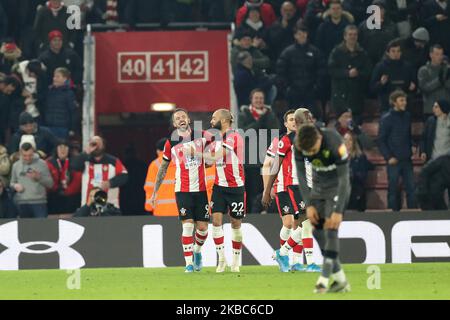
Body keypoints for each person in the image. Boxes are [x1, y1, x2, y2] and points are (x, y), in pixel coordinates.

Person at [274, 124, 351, 293]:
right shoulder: (300, 146)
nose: (311, 153)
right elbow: (301, 177)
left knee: (330, 232)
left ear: (319, 138)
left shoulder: (334, 141)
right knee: (315, 231)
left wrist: (338, 210)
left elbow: (345, 178)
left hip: (337, 187)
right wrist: (309, 205)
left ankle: (323, 280)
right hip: (317, 188)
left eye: (314, 149)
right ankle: (341, 280)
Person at [150, 108, 210, 273]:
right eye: (177, 118)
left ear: (188, 119)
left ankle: (197, 251)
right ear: (174, 124)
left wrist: (199, 153)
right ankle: (189, 264)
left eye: (183, 116)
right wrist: (155, 192)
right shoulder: (171, 143)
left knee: (203, 229)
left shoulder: (203, 135)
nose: (181, 119)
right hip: (182, 189)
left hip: (201, 189)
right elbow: (163, 168)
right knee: (188, 226)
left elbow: (216, 156)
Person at [261, 109, 320, 272]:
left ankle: (285, 254)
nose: (310, 119)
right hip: (293, 184)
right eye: (307, 117)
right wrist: (267, 190)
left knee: (303, 224)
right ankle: (304, 261)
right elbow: (272, 165)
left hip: (309, 186)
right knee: (299, 223)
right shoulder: (285, 140)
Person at [199, 109, 246, 273]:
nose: (211, 121)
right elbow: (211, 162)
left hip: (236, 187)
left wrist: (195, 153)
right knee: (216, 222)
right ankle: (221, 260)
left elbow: (216, 156)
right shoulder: (216, 140)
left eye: (214, 118)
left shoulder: (234, 136)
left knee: (235, 223)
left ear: (224, 120)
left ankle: (236, 261)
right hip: (219, 187)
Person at [238, 89, 280, 213]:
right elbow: (243, 133)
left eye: (261, 98)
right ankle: (252, 214)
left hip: (266, 160)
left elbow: (275, 133)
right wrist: (259, 123)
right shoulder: (243, 115)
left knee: (267, 189)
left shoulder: (271, 115)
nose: (258, 100)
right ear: (251, 100)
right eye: (256, 98)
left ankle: (268, 212)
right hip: (250, 161)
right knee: (252, 190)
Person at [276, 24, 327, 119]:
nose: (302, 35)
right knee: (293, 118)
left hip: (310, 91)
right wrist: (286, 88)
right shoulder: (288, 52)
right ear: (295, 36)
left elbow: (321, 70)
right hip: (293, 92)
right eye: (299, 33)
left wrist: (317, 86)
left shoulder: (315, 51)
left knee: (311, 117)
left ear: (307, 34)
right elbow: (280, 72)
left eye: (304, 33)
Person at [378, 90, 416, 211]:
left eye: (405, 100)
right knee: (393, 190)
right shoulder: (386, 118)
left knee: (411, 188)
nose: (405, 102)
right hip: (394, 160)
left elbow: (408, 135)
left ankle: (412, 215)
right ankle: (392, 216)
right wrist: (389, 157)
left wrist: (413, 145)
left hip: (407, 159)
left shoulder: (407, 116)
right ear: (394, 102)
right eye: (401, 100)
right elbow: (381, 140)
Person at [328, 24, 372, 121]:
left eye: (355, 34)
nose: (352, 37)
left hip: (357, 95)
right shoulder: (336, 52)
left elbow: (368, 71)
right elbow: (331, 70)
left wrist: (358, 73)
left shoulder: (362, 53)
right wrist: (347, 73)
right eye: (350, 34)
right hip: (340, 95)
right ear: (345, 36)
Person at [70, 135, 128, 208]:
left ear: (103, 146)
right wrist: (86, 153)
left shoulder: (113, 161)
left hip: (110, 206)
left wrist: (110, 183)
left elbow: (124, 176)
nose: (96, 146)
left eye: (98, 143)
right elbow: (74, 166)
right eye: (93, 143)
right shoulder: (85, 160)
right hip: (88, 207)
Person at [10, 137, 54, 218]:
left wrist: (39, 177)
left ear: (34, 152)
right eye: (25, 155)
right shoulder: (15, 165)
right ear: (20, 153)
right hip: (22, 203)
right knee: (24, 230)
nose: (27, 158)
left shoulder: (42, 164)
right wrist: (15, 186)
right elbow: (11, 183)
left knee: (42, 229)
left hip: (39, 203)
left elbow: (50, 184)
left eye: (30, 155)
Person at [370, 39, 416, 113]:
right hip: (386, 106)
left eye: (398, 51)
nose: (396, 54)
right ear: (388, 53)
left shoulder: (408, 67)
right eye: (393, 51)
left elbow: (414, 86)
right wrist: (381, 83)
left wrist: (413, 87)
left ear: (401, 53)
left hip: (404, 107)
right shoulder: (380, 67)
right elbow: (372, 88)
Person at [144, 138, 178, 216]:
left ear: (158, 151)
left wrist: (149, 206)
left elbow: (149, 188)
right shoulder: (181, 161)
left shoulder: (155, 165)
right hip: (181, 210)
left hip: (160, 211)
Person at [47, 140, 82, 214]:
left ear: (69, 149)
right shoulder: (49, 162)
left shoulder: (76, 161)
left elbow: (77, 181)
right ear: (56, 149)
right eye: (60, 147)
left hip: (72, 196)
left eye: (65, 147)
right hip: (54, 196)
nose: (62, 150)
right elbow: (47, 180)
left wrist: (67, 192)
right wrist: (56, 189)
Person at [358, 0, 398, 65]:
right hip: (368, 60)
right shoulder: (363, 26)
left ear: (385, 10)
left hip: (386, 60)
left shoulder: (392, 26)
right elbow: (359, 43)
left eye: (380, 9)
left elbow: (395, 43)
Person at [344, 131, 374, 211]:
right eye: (345, 140)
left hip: (356, 190)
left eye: (350, 140)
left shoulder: (360, 158)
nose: (347, 142)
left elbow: (363, 177)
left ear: (354, 142)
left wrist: (351, 175)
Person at [44, 67, 77, 139]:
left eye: (57, 77)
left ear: (65, 79)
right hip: (48, 127)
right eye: (54, 76)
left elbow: (73, 112)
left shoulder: (69, 93)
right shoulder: (49, 91)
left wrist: (72, 129)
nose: (54, 79)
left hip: (62, 128)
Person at [418, 45, 450, 117]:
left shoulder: (447, 70)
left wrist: (445, 79)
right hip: (431, 109)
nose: (440, 57)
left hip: (446, 110)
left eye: (441, 54)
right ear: (431, 55)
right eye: (437, 54)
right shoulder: (424, 70)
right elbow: (424, 88)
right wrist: (439, 80)